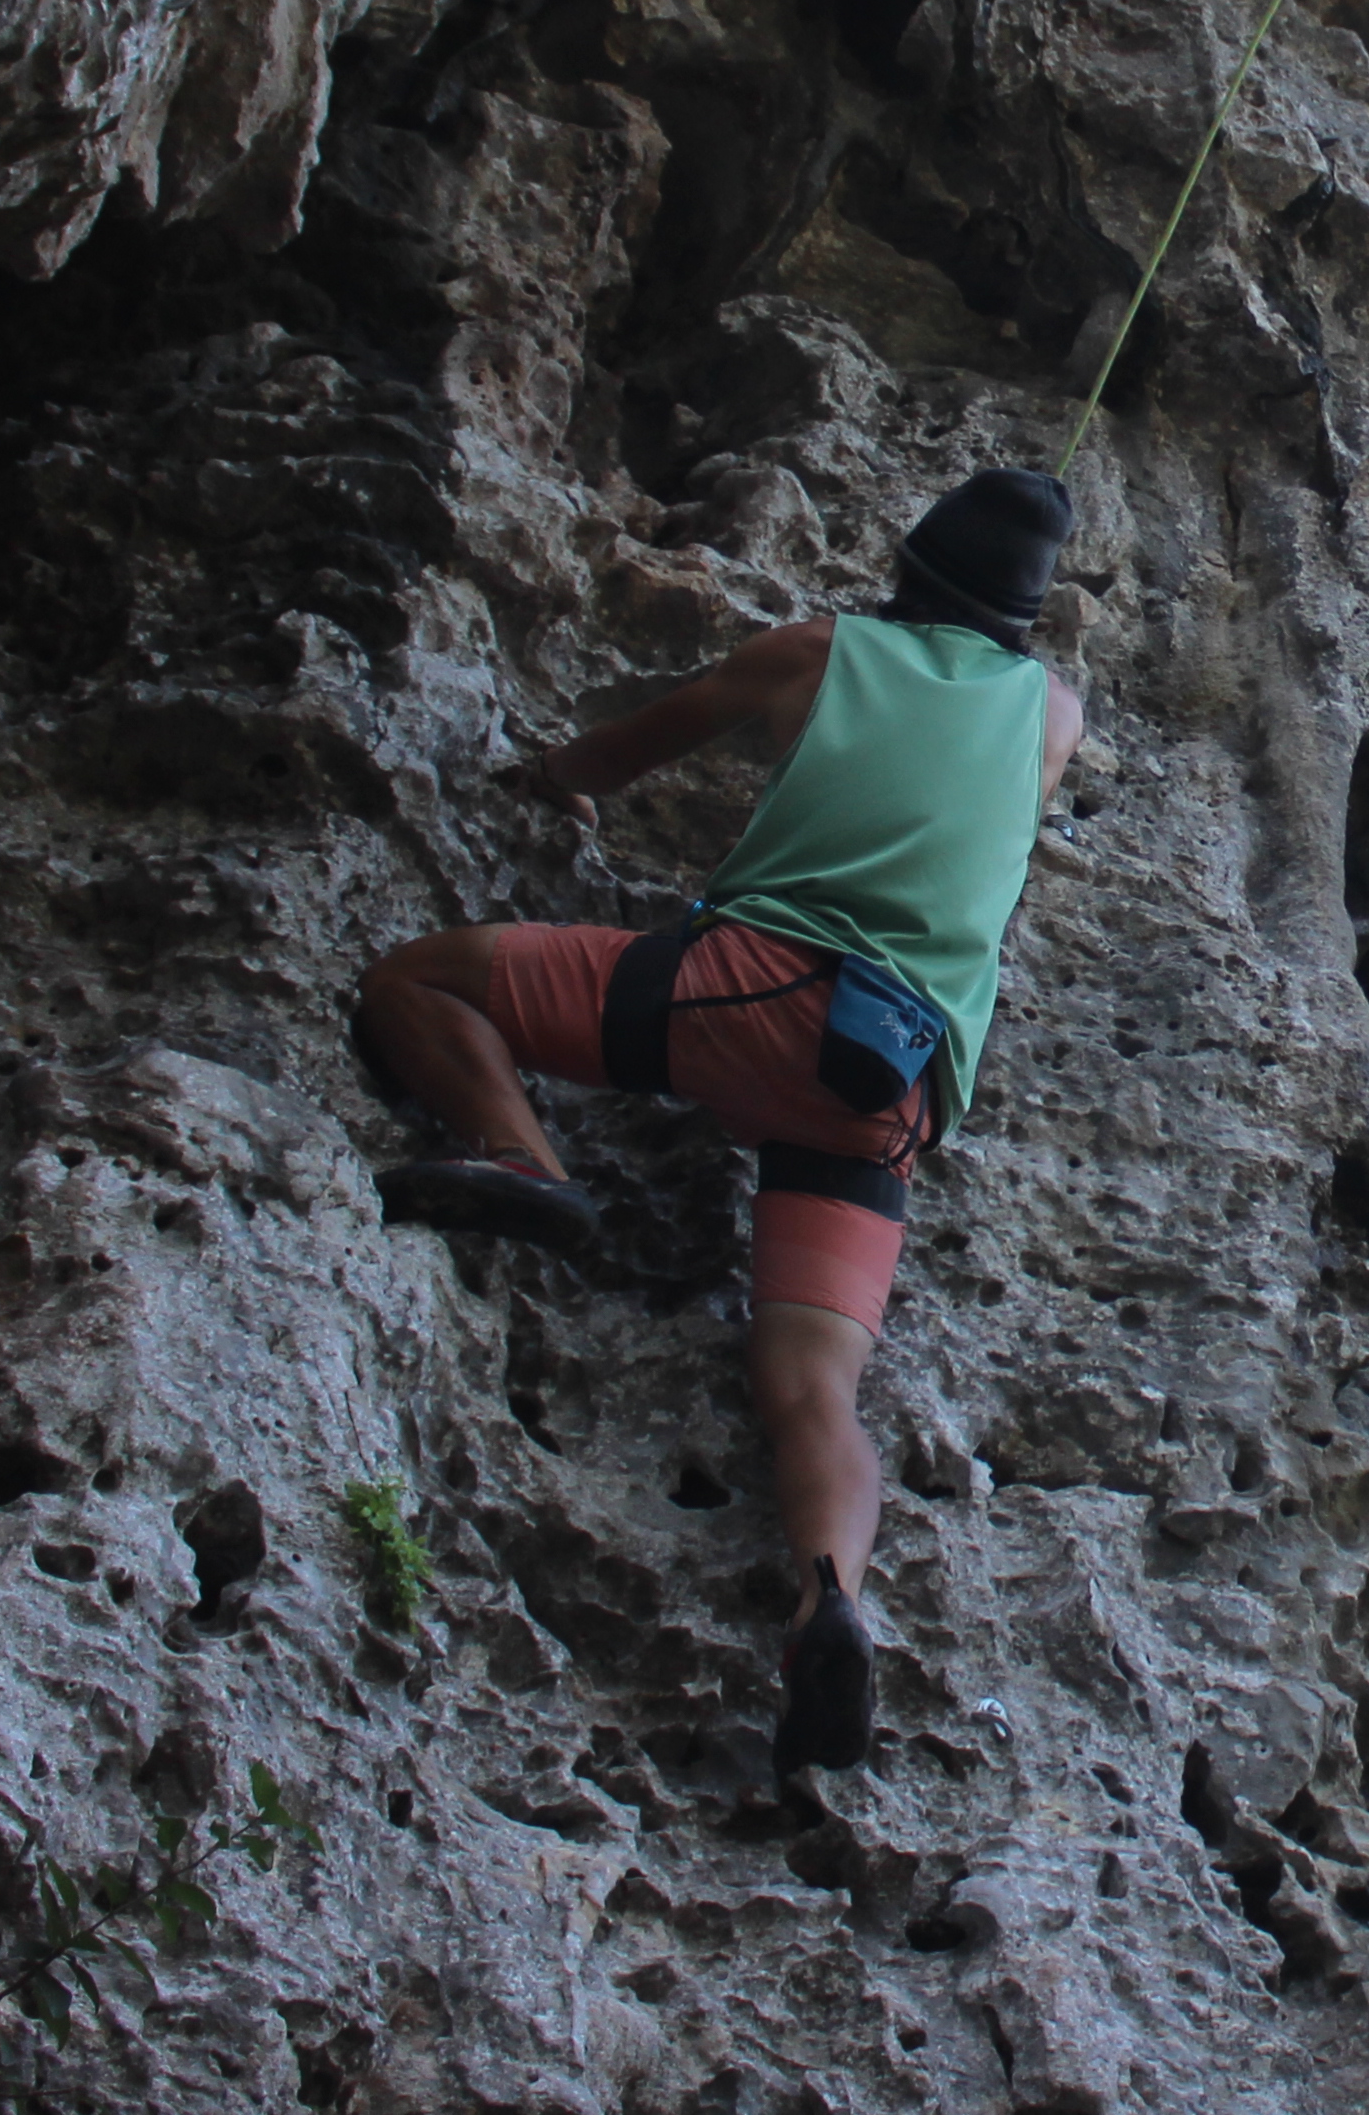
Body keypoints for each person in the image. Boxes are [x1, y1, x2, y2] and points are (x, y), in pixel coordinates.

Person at [353, 467, 1083, 1780]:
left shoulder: (824, 649)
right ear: (1025, 623)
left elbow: (619, 751)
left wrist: (554, 782)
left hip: (750, 1001)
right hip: (893, 1091)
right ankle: (832, 1600)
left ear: (907, 570)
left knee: (423, 979)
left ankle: (519, 1152)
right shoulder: (1055, 716)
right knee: (815, 1384)